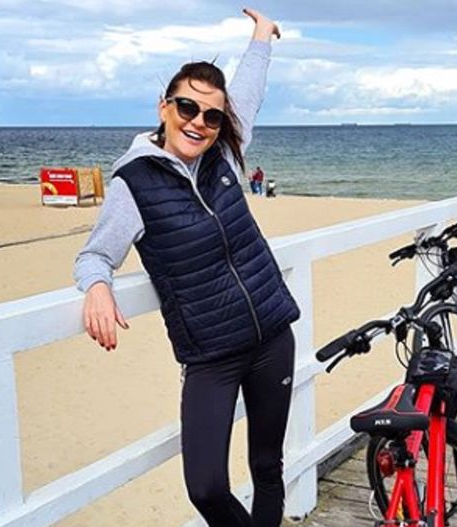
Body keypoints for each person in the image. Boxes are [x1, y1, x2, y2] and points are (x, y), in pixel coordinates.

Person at [73, 9, 300, 527]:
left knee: (268, 466)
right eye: (187, 107)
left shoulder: (225, 153)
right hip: (210, 356)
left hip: (271, 337)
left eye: (211, 115)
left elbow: (247, 93)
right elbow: (94, 255)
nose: (198, 121)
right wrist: (97, 287)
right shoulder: (134, 181)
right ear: (165, 107)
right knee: (207, 487)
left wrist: (261, 37)